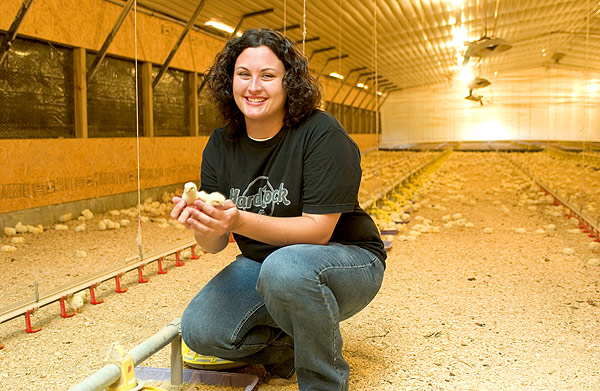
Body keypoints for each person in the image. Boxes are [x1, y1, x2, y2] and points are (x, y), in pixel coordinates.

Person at [171, 28, 386, 391]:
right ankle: (289, 345)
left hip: (344, 259)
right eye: (244, 75)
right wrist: (204, 222)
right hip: (263, 266)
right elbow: (214, 245)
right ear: (230, 81)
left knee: (285, 267)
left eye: (268, 76)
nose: (254, 86)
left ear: (289, 82)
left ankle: (323, 381)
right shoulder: (221, 144)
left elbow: (318, 231)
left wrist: (238, 218)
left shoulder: (320, 134)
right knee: (202, 331)